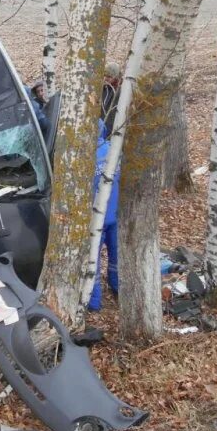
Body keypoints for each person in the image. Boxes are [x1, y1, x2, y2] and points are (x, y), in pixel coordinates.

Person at [87, 119, 120, 311]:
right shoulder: (114, 151)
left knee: (93, 262)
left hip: (96, 219)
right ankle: (118, 289)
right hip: (116, 214)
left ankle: (94, 302)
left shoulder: (83, 158)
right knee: (117, 257)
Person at [101, 62, 121, 137]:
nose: (105, 78)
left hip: (108, 129)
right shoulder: (103, 88)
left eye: (109, 76)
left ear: (116, 77)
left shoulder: (119, 92)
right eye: (105, 75)